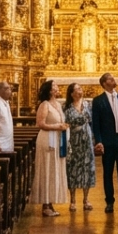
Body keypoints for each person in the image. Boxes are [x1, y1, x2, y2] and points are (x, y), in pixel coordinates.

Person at [90, 72, 118, 214]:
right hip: (108, 141)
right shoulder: (98, 101)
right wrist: (99, 141)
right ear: (104, 83)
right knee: (108, 173)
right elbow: (96, 124)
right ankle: (109, 201)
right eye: (110, 79)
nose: (113, 80)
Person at [30, 79, 69, 217]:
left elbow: (59, 121)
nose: (57, 87)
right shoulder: (44, 104)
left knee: (54, 170)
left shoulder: (58, 104)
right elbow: (40, 123)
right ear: (49, 90)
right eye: (54, 86)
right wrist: (57, 127)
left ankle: (50, 203)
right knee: (46, 169)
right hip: (47, 139)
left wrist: (63, 126)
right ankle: (45, 205)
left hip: (57, 139)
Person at [63, 83, 96, 211]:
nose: (80, 91)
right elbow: (65, 122)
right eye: (77, 89)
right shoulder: (66, 107)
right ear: (71, 93)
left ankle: (86, 199)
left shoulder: (88, 104)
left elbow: (92, 120)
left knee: (87, 168)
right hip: (73, 138)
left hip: (86, 138)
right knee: (73, 168)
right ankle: (72, 200)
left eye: (81, 88)